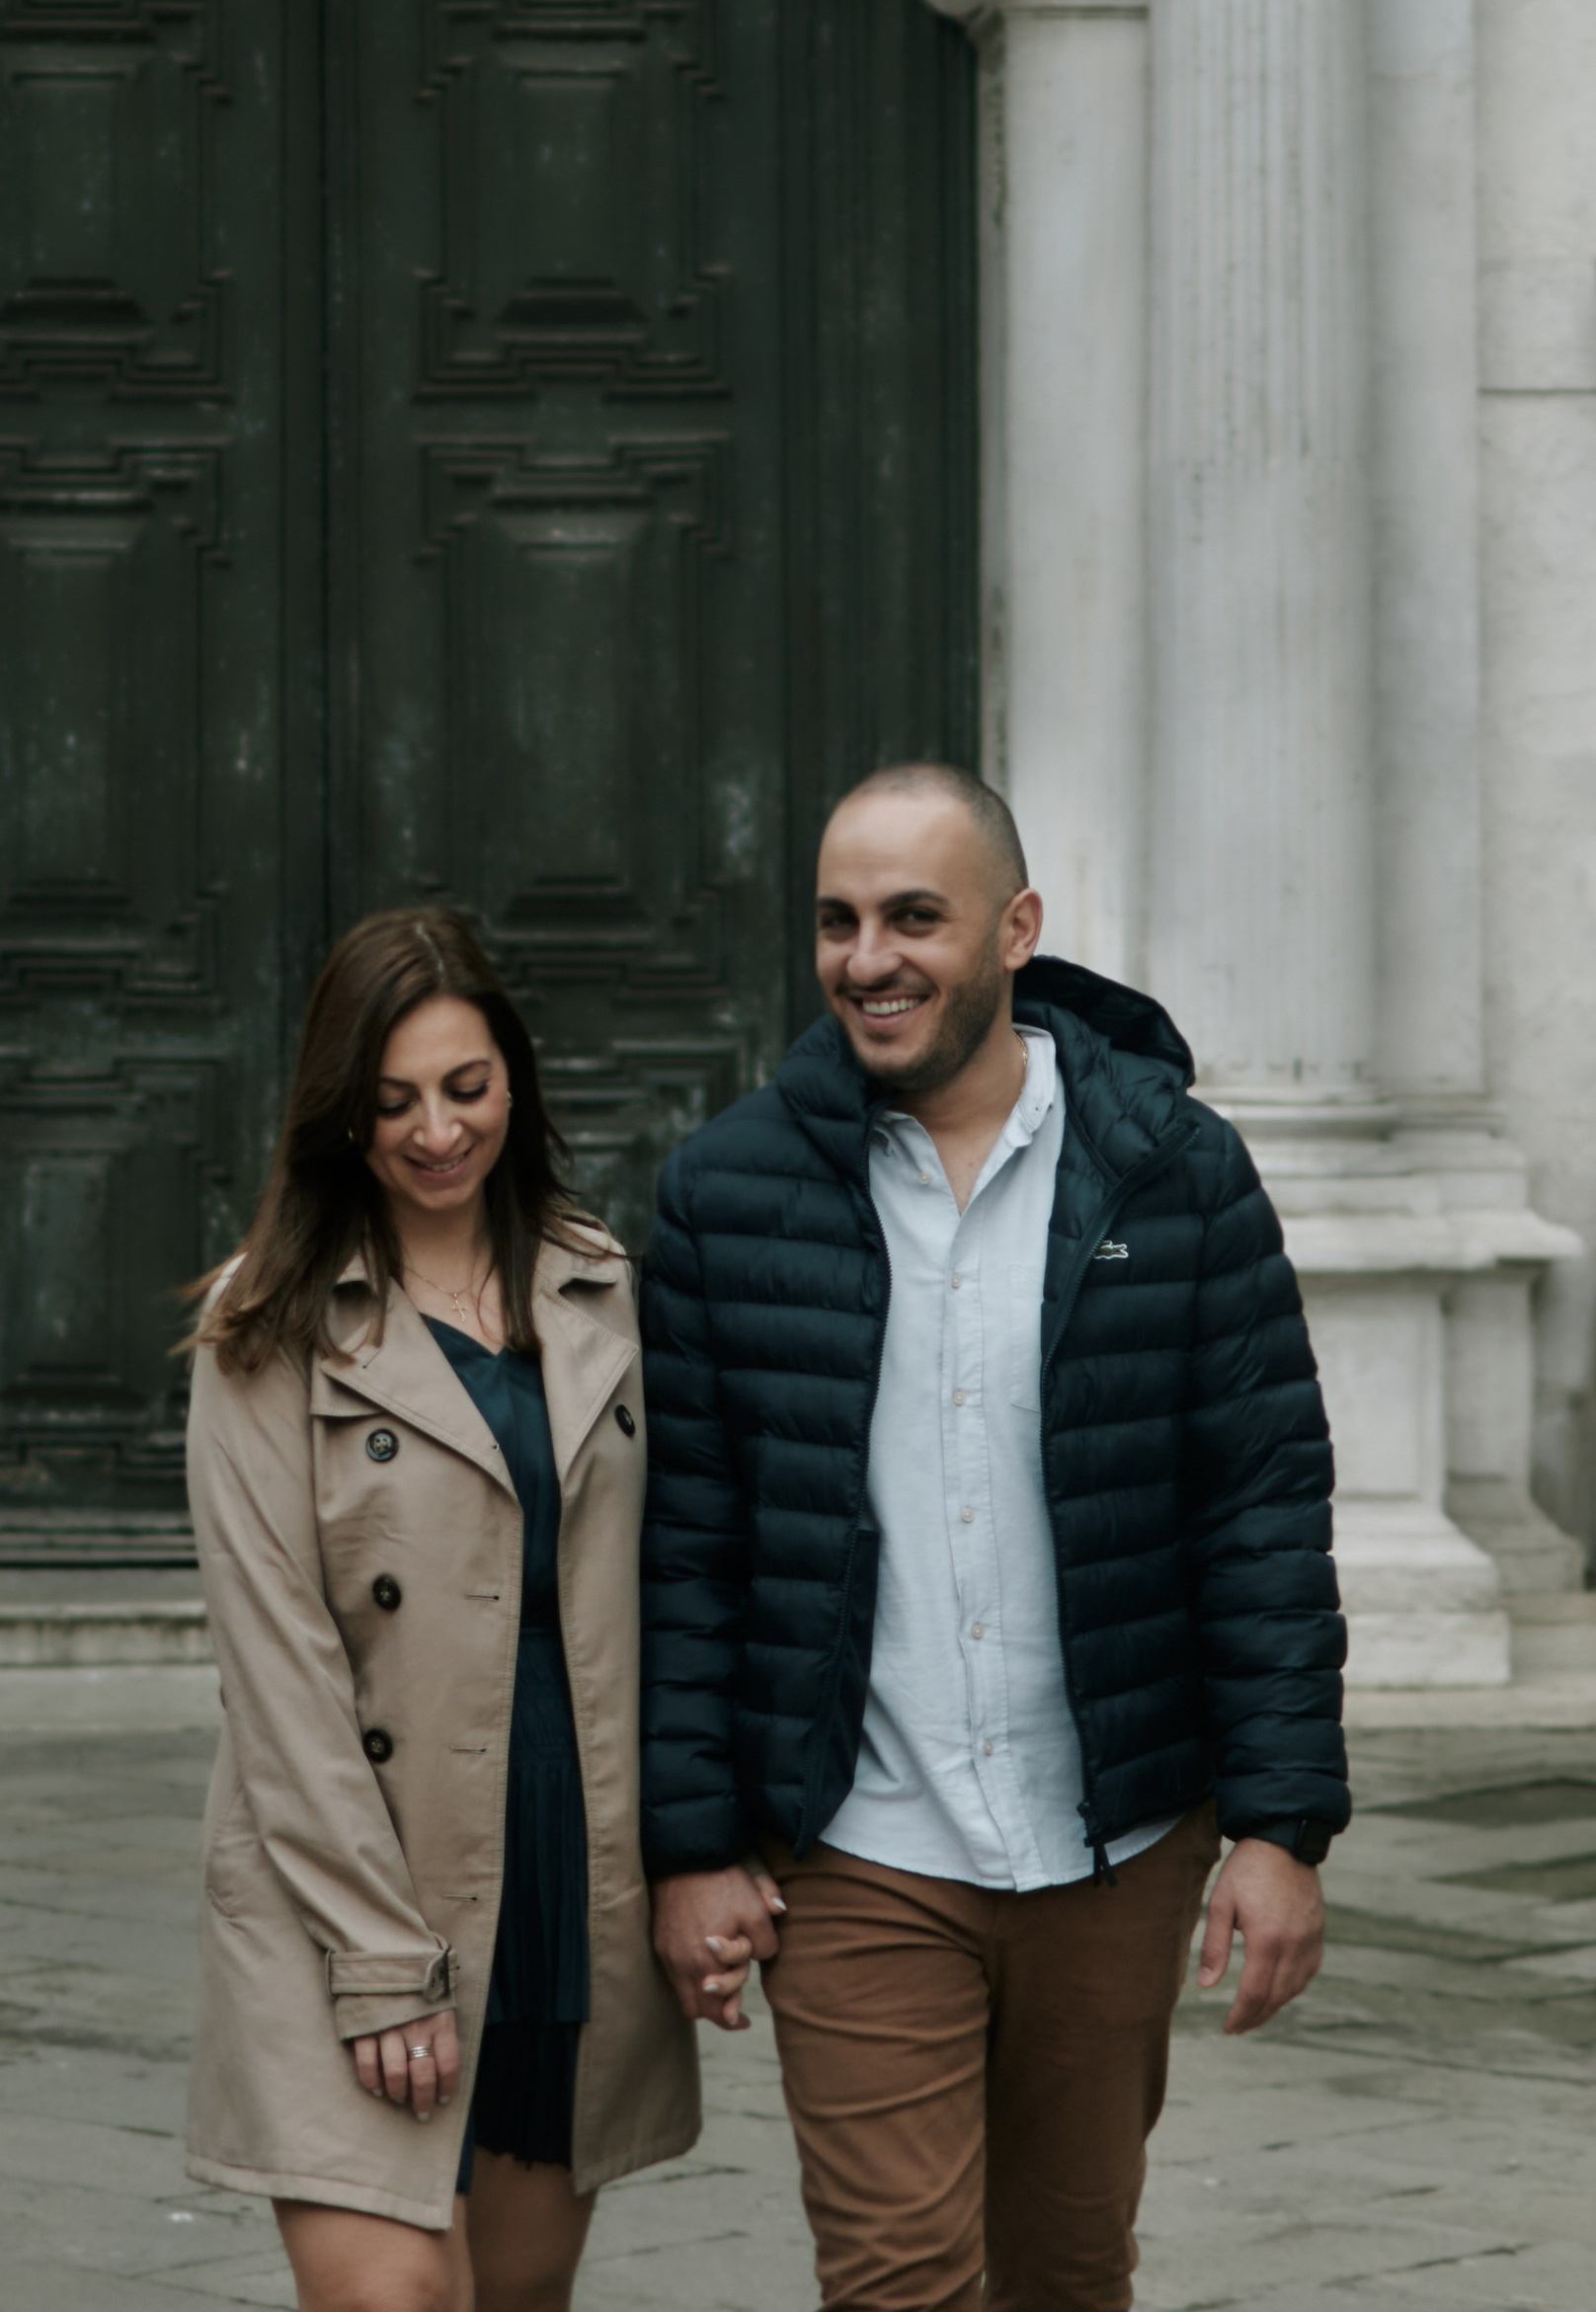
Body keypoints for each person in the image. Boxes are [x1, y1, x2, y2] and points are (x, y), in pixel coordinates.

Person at [640, 763, 1348, 2312]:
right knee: (898, 2279)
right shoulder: (726, 1195)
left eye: (914, 917)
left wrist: (1282, 1828)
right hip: (859, 1841)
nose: (868, 958)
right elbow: (687, 1545)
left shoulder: (1176, 1172)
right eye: (837, 921)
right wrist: (692, 1846)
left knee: (1069, 2271)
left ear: (1016, 929)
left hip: (1116, 1835)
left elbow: (1260, 1506)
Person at [185, 908, 697, 2312]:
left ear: (514, 1082)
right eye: (392, 1101)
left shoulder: (601, 1288)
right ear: (340, 1116)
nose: (434, 1132)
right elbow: (278, 1669)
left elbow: (677, 1582)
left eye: (465, 1088)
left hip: (553, 1856)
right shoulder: (266, 1327)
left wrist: (712, 1850)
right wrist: (378, 1965)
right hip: (347, 1872)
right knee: (395, 2297)